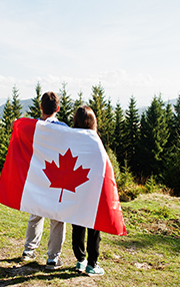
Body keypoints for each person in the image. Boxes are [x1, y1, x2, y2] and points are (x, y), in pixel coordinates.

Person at [21, 91, 67, 270]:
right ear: (58, 108)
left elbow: (16, 128)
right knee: (57, 218)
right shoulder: (64, 128)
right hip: (57, 178)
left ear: (40, 107)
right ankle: (52, 258)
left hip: (39, 177)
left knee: (35, 213)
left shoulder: (35, 126)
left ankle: (28, 250)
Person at [71, 105, 105, 276]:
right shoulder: (95, 139)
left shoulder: (71, 137)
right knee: (94, 227)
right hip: (93, 189)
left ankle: (80, 260)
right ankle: (92, 264)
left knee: (77, 223)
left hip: (75, 187)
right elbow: (103, 164)